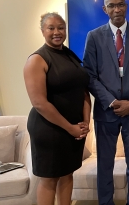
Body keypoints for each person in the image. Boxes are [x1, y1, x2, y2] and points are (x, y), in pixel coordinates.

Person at [83, 0, 129, 205]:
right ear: (104, 9)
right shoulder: (94, 36)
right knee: (105, 164)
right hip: (107, 111)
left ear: (126, 7)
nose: (117, 9)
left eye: (121, 5)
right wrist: (112, 102)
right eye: (112, 6)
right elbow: (89, 75)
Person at [24, 12, 91, 205]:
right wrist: (70, 128)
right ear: (42, 31)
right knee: (49, 178)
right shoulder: (37, 59)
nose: (57, 32)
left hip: (73, 129)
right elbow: (39, 103)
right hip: (49, 130)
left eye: (61, 27)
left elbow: (83, 90)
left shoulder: (69, 54)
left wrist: (85, 122)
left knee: (67, 173)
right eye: (51, 28)